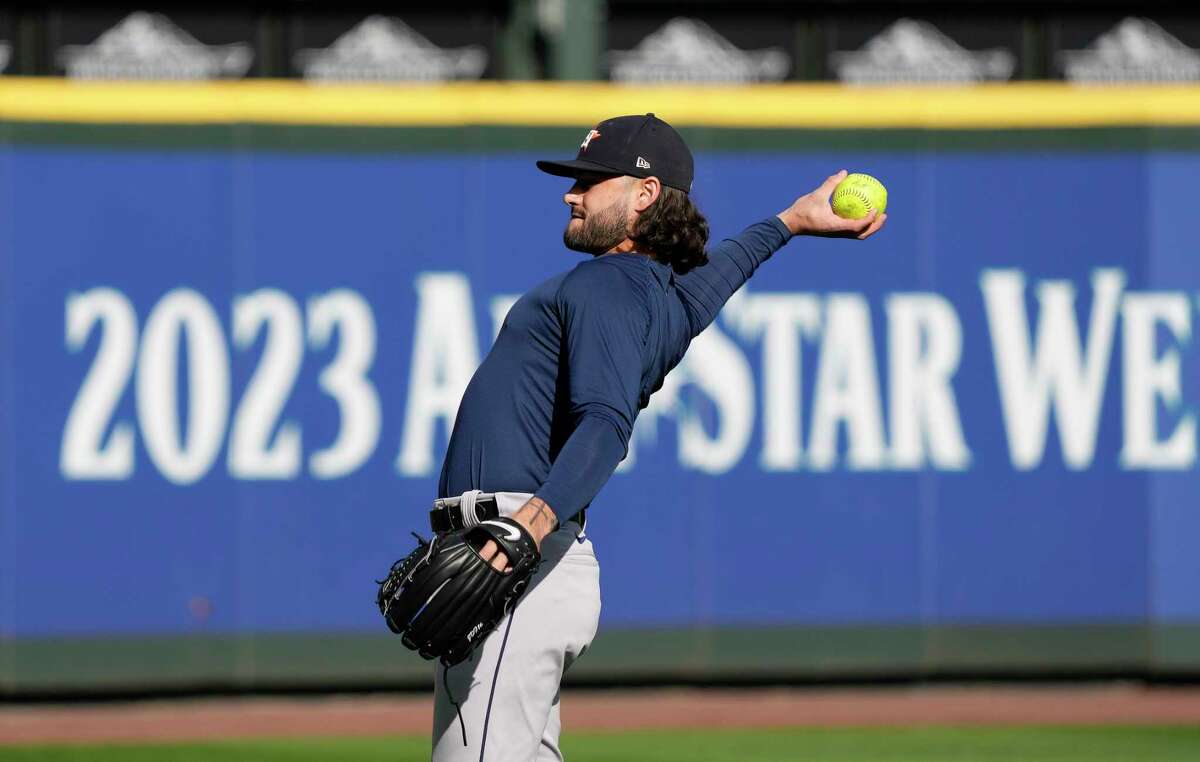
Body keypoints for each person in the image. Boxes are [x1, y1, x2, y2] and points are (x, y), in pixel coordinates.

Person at [428, 113, 886, 762]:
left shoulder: (607, 285)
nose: (571, 192)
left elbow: (607, 423)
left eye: (591, 180)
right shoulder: (655, 298)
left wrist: (526, 527)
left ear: (644, 194)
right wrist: (789, 222)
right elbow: (712, 281)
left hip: (516, 556)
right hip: (522, 556)